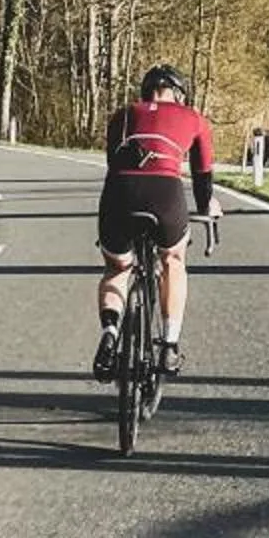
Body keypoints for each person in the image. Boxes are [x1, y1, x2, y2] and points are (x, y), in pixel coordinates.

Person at [94, 65, 216, 381]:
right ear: (178, 93)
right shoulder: (193, 117)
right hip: (165, 194)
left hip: (119, 194)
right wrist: (207, 205)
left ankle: (109, 333)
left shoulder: (121, 115)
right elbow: (203, 175)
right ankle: (170, 345)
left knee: (117, 268)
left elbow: (114, 164)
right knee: (173, 259)